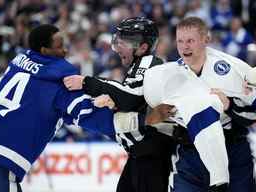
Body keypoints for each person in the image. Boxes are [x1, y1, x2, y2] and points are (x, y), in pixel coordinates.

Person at [0, 24, 118, 192]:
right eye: (59, 47)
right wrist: (124, 127)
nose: (65, 51)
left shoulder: (18, 62)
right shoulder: (60, 78)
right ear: (44, 50)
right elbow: (84, 112)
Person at [144, 17, 256, 192]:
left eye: (190, 41)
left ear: (206, 40)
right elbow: (151, 118)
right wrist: (162, 113)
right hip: (190, 156)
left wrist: (230, 105)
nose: (184, 47)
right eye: (180, 41)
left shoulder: (235, 70)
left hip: (234, 153)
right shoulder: (169, 75)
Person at [63, 17, 175, 192]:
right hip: (141, 154)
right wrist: (113, 100)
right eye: (118, 40)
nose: (118, 48)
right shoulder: (137, 66)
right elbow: (131, 99)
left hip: (151, 154)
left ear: (143, 47)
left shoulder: (149, 62)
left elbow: (130, 97)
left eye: (125, 42)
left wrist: (87, 82)